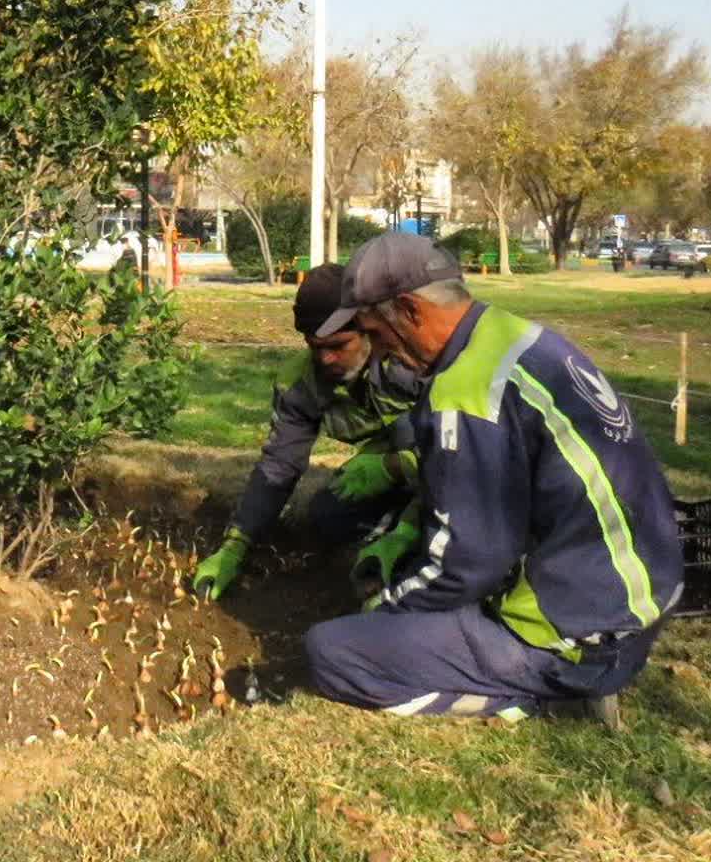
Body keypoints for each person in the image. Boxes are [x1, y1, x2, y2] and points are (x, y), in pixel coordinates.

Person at [302, 232, 684, 725]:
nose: (380, 352)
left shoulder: (466, 391)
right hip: (640, 602)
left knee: (333, 652)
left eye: (377, 333)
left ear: (410, 311)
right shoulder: (517, 337)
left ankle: (537, 697)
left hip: (580, 640)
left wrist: (386, 610)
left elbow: (470, 561)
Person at [192, 263, 423, 601]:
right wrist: (236, 543)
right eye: (316, 347)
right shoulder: (301, 384)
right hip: (394, 460)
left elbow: (463, 446)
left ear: (368, 330)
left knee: (411, 434)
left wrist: (397, 468)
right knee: (328, 516)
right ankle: (381, 543)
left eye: (338, 345)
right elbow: (279, 465)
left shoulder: (411, 364)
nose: (326, 359)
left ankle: (415, 547)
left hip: (452, 464)